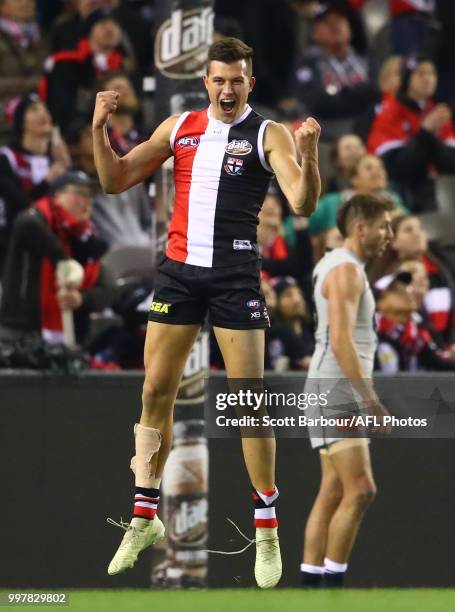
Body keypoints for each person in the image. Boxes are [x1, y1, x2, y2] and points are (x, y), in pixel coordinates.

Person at [92, 37, 321, 588]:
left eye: (236, 80)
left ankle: (265, 527)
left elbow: (303, 203)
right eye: (218, 80)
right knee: (154, 392)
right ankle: (144, 515)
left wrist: (309, 155)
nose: (226, 89)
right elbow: (114, 178)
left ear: (250, 83)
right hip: (179, 273)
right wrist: (98, 131)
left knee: (249, 402)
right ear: (206, 83)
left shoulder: (269, 133)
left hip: (235, 275)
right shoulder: (179, 127)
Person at [301, 194, 393, 588]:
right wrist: (369, 400)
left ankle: (310, 588)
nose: (388, 235)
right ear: (360, 228)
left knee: (334, 489)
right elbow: (341, 341)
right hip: (336, 389)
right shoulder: (346, 271)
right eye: (383, 226)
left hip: (331, 386)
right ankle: (331, 590)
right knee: (361, 489)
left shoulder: (337, 265)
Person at [0, 170, 114, 345]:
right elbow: (26, 225)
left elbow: (107, 289)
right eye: (80, 193)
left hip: (73, 335)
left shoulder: (87, 239)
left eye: (90, 196)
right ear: (57, 195)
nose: (87, 202)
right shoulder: (37, 219)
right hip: (22, 330)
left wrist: (81, 298)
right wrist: (64, 259)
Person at [367, 56, 455, 212]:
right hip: (405, 195)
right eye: (421, 73)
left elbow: (450, 162)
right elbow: (397, 169)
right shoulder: (390, 111)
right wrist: (426, 131)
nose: (428, 79)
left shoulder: (436, 111)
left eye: (432, 73)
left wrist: (428, 135)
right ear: (407, 78)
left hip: (441, 191)